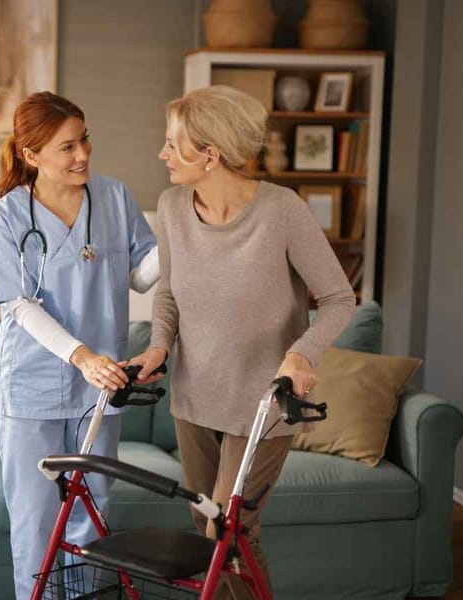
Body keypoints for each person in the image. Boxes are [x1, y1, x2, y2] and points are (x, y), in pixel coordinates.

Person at [130, 86, 356, 598]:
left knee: (229, 530)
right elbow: (168, 290)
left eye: (172, 144)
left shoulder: (282, 212)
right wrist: (160, 346)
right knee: (209, 527)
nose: (162, 154)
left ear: (209, 154)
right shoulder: (171, 206)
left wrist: (302, 353)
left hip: (263, 402)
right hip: (193, 398)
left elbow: (340, 299)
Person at [0, 91, 159, 599]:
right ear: (30, 155)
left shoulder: (115, 197)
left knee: (91, 516)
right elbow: (18, 304)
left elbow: (143, 276)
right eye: (67, 147)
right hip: (32, 386)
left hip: (100, 389)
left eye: (85, 140)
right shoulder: (6, 218)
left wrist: (184, 233)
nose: (82, 154)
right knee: (37, 524)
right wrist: (81, 357)